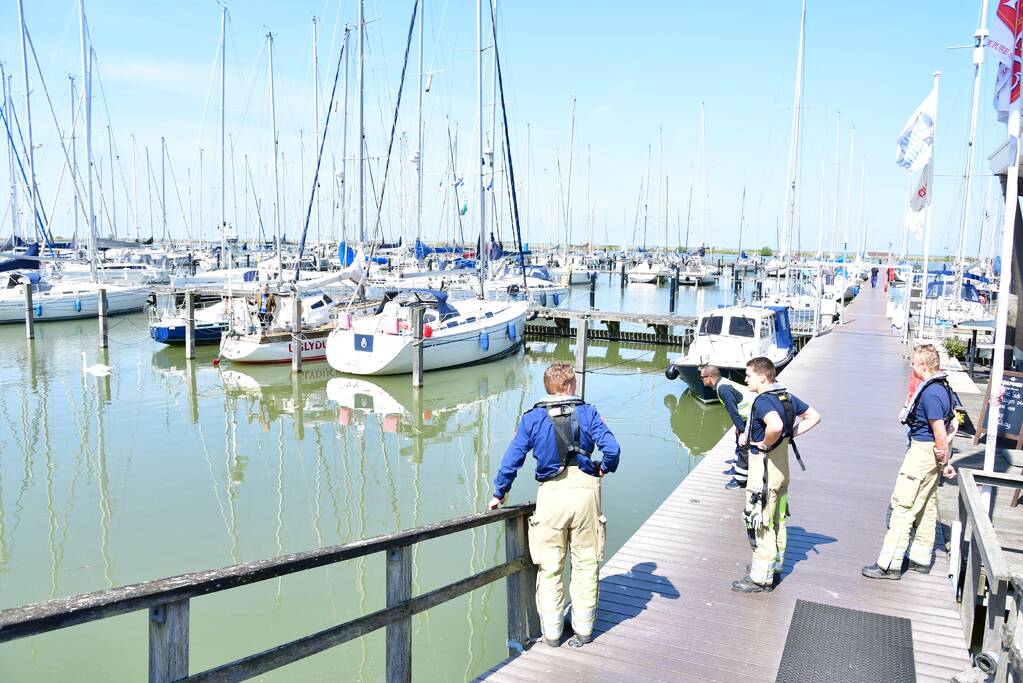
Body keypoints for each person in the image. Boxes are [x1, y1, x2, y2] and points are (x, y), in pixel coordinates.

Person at [488, 362, 621, 648]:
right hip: (586, 492)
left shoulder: (532, 418)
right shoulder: (588, 412)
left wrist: (500, 492)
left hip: (551, 495)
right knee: (586, 562)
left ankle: (552, 634)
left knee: (549, 565)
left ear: (548, 388)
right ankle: (584, 631)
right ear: (569, 386)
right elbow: (613, 449)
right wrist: (603, 468)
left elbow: (513, 458)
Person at [863, 344, 958, 580]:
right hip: (931, 453)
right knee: (925, 504)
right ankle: (920, 557)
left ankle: (889, 564)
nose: (911, 366)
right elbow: (951, 424)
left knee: (902, 506)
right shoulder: (943, 387)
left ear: (924, 366)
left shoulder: (930, 394)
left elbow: (939, 430)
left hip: (923, 453)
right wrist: (943, 457)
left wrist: (942, 456)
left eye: (914, 363)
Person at [732, 357, 821, 593]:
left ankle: (761, 578)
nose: (746, 379)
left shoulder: (763, 401)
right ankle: (775, 567)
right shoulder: (786, 396)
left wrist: (764, 443)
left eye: (749, 375)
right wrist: (788, 436)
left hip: (764, 472)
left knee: (760, 520)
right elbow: (814, 416)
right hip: (782, 470)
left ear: (762, 377)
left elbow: (774, 425)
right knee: (778, 519)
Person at [700, 365, 754, 490]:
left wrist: (742, 431)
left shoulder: (723, 389)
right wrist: (738, 427)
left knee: (743, 445)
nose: (701, 379)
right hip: (746, 416)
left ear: (710, 377)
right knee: (739, 441)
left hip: (753, 415)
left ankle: (741, 480)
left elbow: (733, 411)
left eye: (702, 377)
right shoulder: (721, 384)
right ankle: (736, 466)